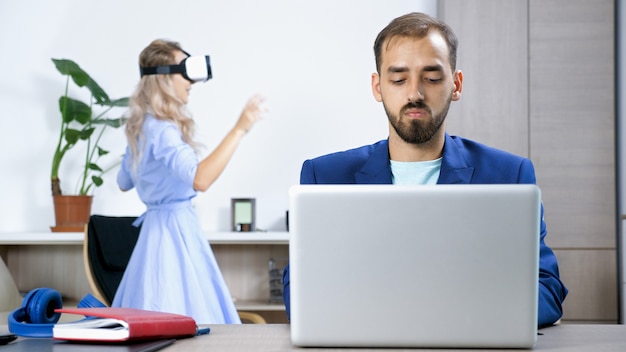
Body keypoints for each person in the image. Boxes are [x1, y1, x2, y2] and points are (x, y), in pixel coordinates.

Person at [282, 12, 567, 327]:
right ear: (377, 87)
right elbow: (300, 291)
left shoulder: (509, 174)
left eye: (431, 77)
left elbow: (547, 290)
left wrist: (453, 318)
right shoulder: (324, 177)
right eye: (399, 79)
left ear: (456, 85)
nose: (415, 93)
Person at [113, 39, 266, 324]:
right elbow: (201, 179)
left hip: (153, 237)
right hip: (176, 234)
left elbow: (123, 181)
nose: (190, 81)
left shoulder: (141, 128)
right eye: (183, 71)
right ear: (163, 78)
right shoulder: (163, 131)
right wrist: (241, 127)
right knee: (182, 321)